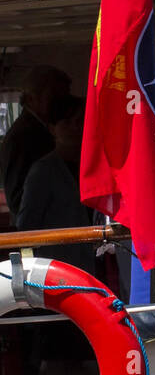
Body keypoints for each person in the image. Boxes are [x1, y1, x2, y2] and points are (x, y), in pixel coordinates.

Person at [17, 94, 97, 274]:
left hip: (96, 266)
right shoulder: (43, 171)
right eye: (68, 122)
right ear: (52, 128)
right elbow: (27, 226)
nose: (76, 128)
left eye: (80, 121)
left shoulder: (96, 165)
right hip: (59, 269)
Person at [0, 64, 72, 226]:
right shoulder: (22, 136)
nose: (61, 106)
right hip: (43, 234)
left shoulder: (40, 129)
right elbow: (16, 199)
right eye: (54, 97)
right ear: (32, 98)